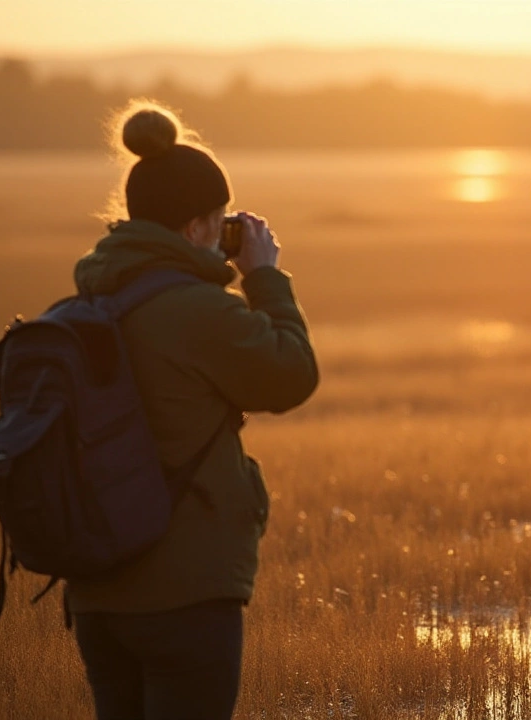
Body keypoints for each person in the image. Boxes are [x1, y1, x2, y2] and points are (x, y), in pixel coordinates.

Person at [67, 100, 319, 720]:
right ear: (198, 226)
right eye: (219, 220)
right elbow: (291, 375)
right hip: (185, 594)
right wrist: (264, 278)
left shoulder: (90, 302)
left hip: (98, 593)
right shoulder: (195, 311)